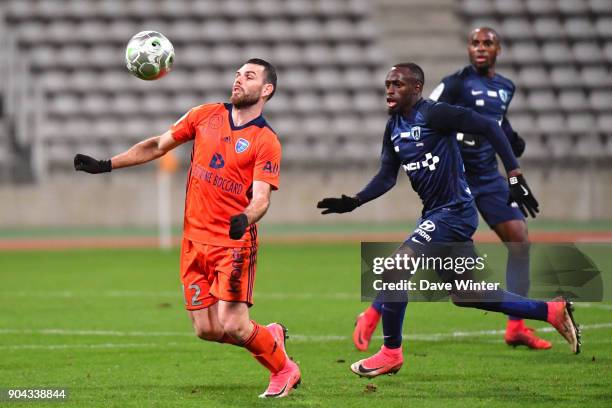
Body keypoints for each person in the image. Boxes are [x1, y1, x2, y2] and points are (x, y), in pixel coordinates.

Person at [317, 62, 580, 378]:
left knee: (395, 269)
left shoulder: (434, 114)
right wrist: (355, 201)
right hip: (437, 213)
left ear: (416, 88)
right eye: (387, 84)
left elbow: (490, 127)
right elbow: (387, 176)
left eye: (398, 84)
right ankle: (550, 311)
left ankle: (390, 353)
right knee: (469, 294)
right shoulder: (394, 127)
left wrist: (514, 174)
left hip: (454, 211)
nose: (389, 89)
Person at [73, 58, 301, 398]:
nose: (238, 80)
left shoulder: (266, 141)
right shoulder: (203, 115)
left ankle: (283, 370)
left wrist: (246, 219)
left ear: (266, 90)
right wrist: (107, 164)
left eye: (249, 76)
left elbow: (262, 199)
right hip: (193, 242)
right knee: (207, 330)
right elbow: (157, 145)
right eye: (237, 74)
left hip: (233, 244)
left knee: (234, 323)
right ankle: (269, 337)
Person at [352, 27, 550, 352]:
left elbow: (496, 121)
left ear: (499, 49)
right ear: (468, 49)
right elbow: (427, 113)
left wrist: (512, 144)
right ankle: (374, 312)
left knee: (518, 241)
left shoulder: (505, 87)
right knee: (415, 254)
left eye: (487, 43)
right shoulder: (455, 83)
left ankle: (517, 327)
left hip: (487, 177)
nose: (481, 48)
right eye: (475, 43)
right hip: (456, 178)